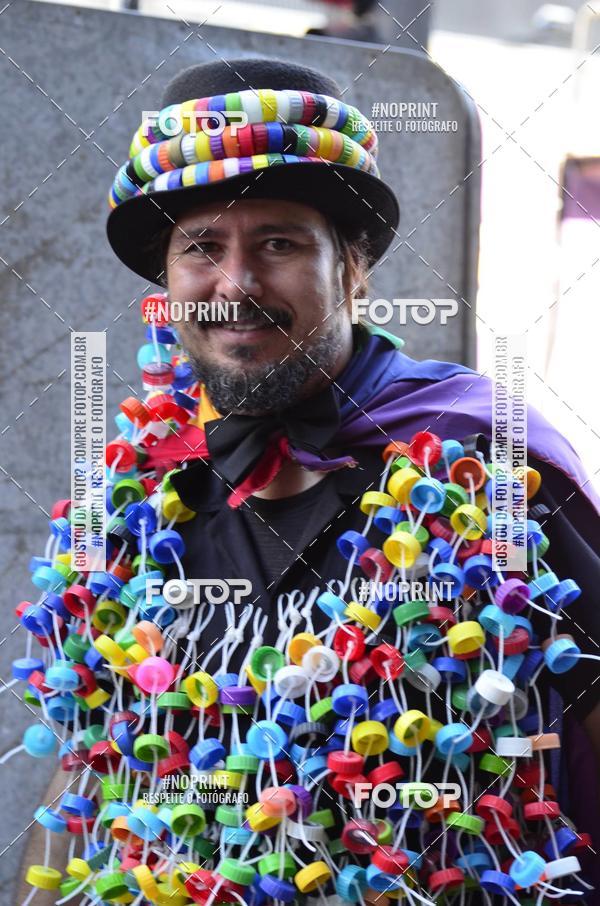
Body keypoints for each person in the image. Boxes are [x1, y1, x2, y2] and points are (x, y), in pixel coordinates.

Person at [16, 57, 600, 905]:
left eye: (280, 244)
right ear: (168, 287)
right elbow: (80, 770)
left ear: (353, 268)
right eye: (202, 249)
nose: (236, 284)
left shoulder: (483, 468)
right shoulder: (128, 508)